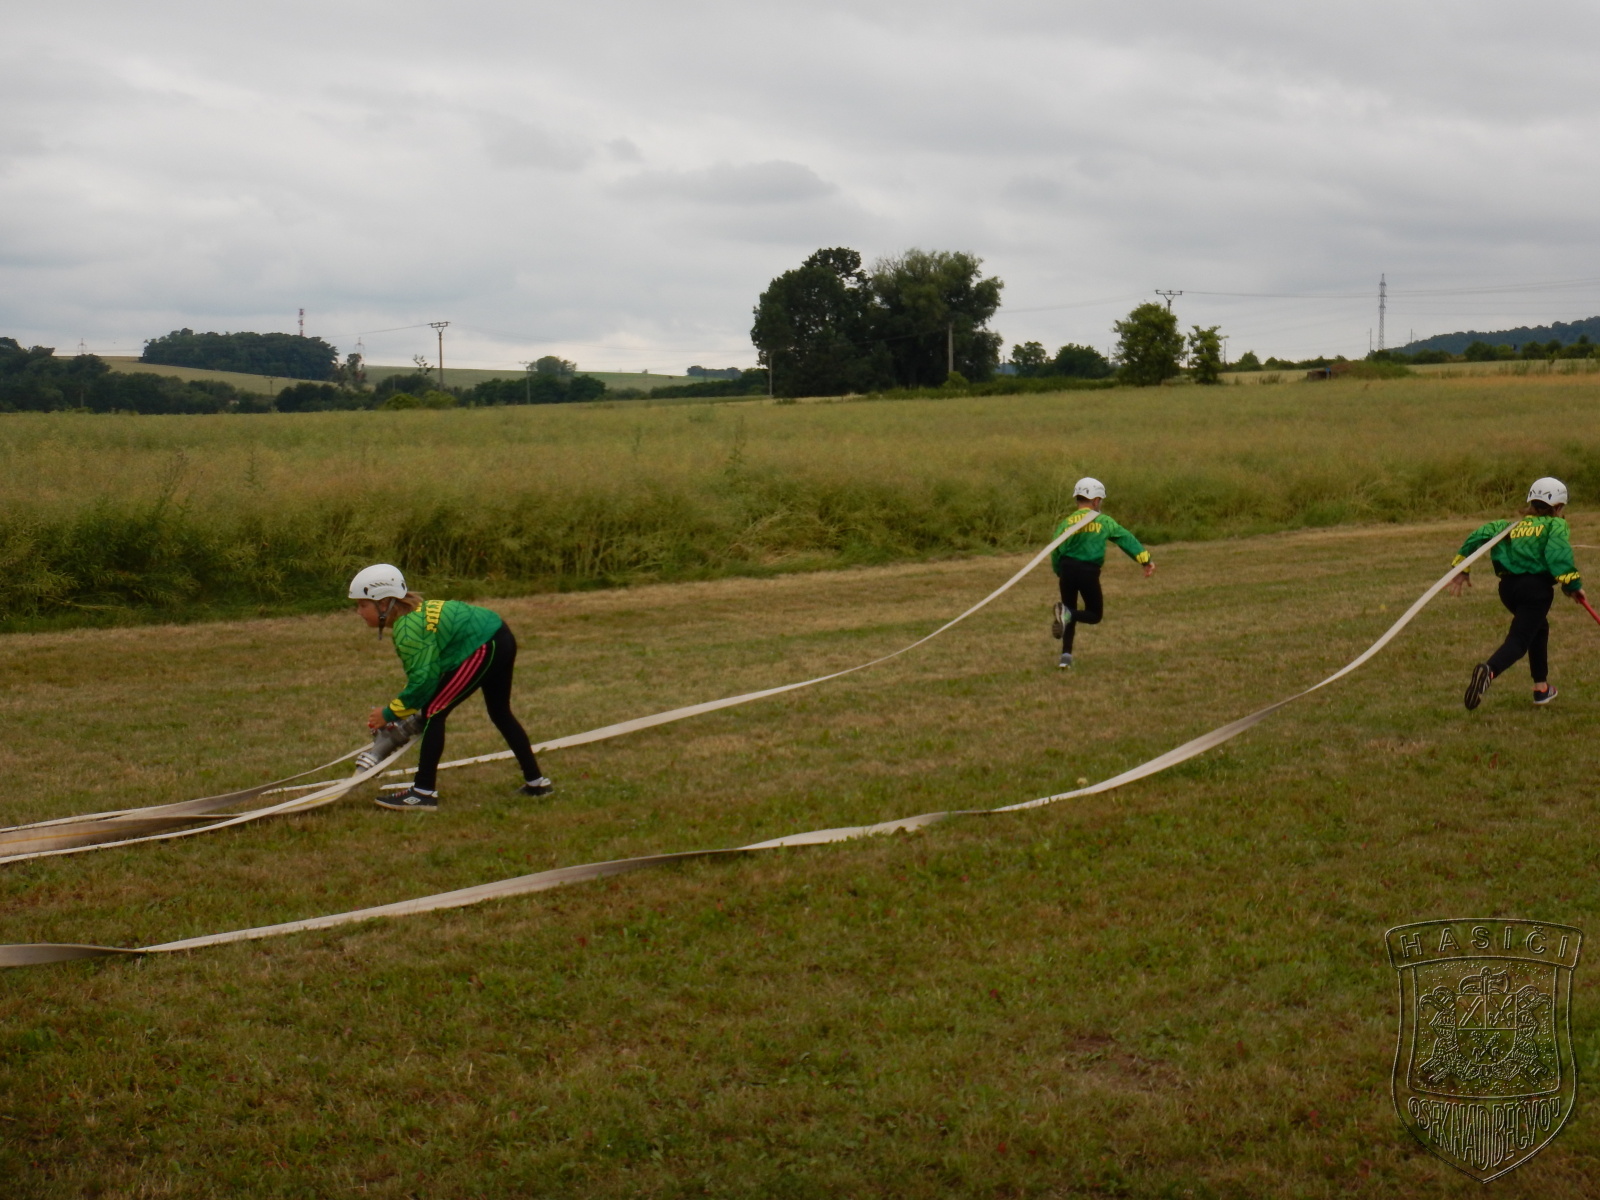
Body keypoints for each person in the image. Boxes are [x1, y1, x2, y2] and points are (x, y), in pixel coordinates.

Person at [349, 564, 553, 811]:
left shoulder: (407, 629)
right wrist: (402, 709)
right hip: (497, 634)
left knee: (434, 712)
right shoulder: (415, 614)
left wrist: (389, 713)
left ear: (383, 603)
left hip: (483, 644)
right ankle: (537, 783)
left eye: (363, 605)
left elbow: (423, 682)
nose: (358, 612)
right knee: (499, 712)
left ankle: (423, 793)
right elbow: (428, 672)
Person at [1449, 477, 1586, 710]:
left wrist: (1461, 568)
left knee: (1538, 627)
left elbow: (1477, 536)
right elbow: (1557, 556)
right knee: (1519, 640)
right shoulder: (1555, 525)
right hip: (1535, 591)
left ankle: (1541, 688)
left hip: (1508, 590)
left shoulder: (1508, 526)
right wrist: (1572, 585)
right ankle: (1489, 670)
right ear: (1558, 507)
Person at [1049, 477, 1154, 668]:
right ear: (1096, 500)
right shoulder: (1104, 521)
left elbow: (1055, 550)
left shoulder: (1066, 523)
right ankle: (1067, 616)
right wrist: (1144, 559)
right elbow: (1125, 539)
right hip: (1088, 572)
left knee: (1068, 612)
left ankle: (1065, 657)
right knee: (1094, 614)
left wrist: (1059, 571)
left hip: (1067, 570)